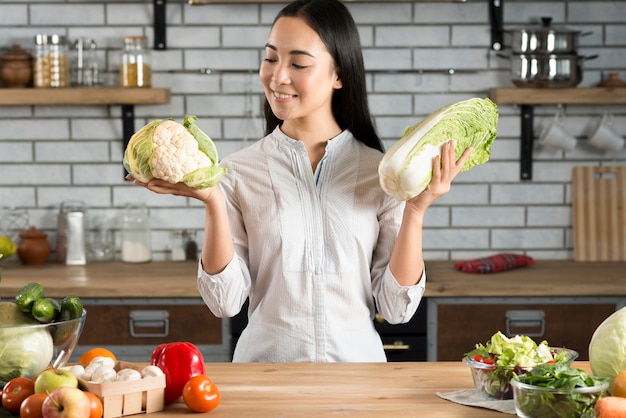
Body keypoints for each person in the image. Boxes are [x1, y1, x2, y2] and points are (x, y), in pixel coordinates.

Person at [130, 0, 471, 362]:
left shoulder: (381, 174)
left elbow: (396, 308)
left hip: (357, 381)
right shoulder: (237, 172)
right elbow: (224, 302)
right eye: (271, 58)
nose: (278, 76)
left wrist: (415, 210)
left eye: (299, 63)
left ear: (339, 74)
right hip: (265, 380)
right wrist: (213, 201)